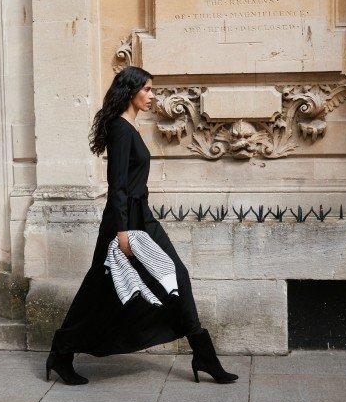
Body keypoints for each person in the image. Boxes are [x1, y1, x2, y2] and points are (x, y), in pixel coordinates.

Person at [45, 66, 238, 385]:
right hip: (128, 222)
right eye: (147, 89)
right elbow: (117, 184)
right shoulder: (121, 130)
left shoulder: (129, 127)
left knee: (150, 281)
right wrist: (122, 231)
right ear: (130, 91)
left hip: (139, 217)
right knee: (104, 288)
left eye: (152, 90)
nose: (152, 96)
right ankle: (61, 353)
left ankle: (202, 354)